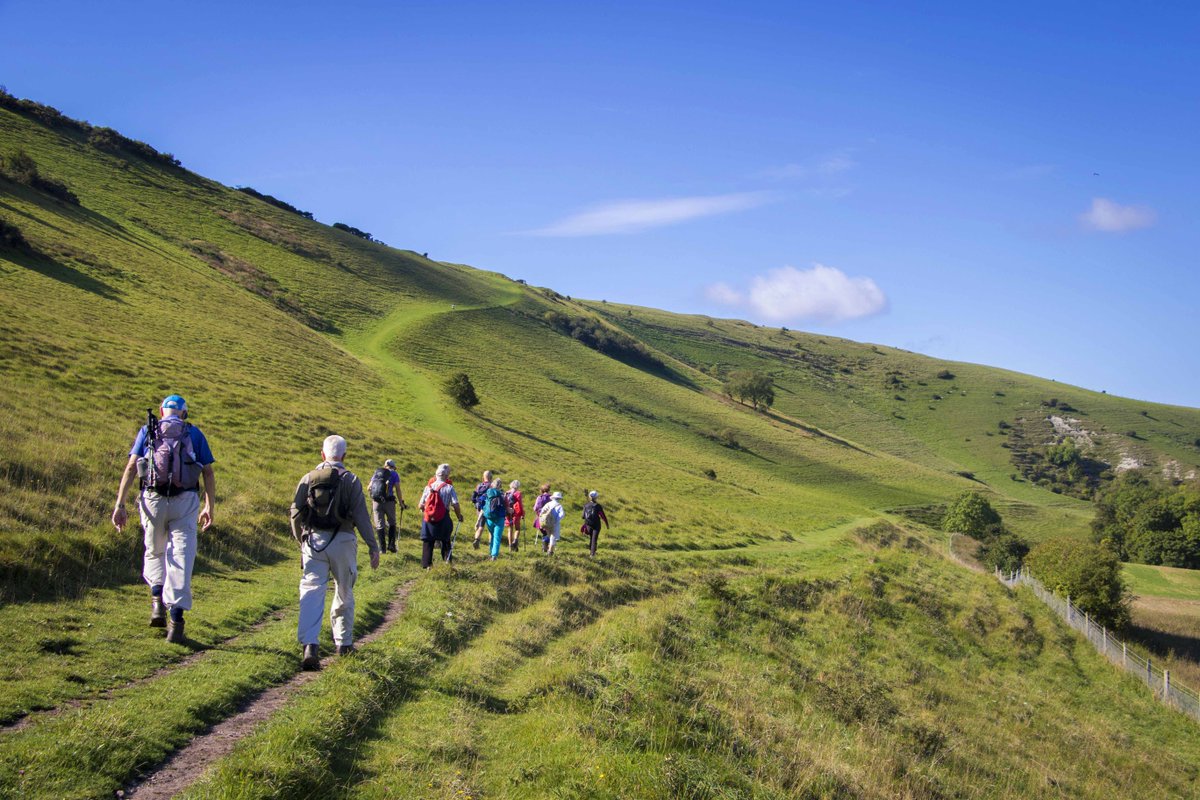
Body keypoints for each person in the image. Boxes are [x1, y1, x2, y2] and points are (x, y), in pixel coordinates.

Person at [112, 394, 216, 644]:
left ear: (161, 411)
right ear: (184, 413)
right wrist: (209, 506)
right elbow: (207, 471)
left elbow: (130, 467)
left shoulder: (148, 431)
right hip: (185, 501)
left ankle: (157, 601)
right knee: (181, 555)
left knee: (154, 551)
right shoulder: (194, 434)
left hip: (153, 500)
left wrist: (120, 504)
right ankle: (176, 622)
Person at [289, 435, 380, 670]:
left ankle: (310, 646)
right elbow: (361, 516)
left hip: (313, 541)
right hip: (343, 540)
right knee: (344, 590)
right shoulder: (351, 479)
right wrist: (373, 546)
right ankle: (344, 643)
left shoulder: (308, 478)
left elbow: (295, 512)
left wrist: (301, 541)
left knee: (311, 590)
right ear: (344, 456)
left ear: (322, 455)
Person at [418, 463, 465, 568]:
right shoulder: (449, 488)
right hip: (444, 517)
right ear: (446, 475)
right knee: (445, 540)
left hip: (429, 518)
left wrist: (426, 510)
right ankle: (447, 563)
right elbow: (455, 504)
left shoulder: (428, 487)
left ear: (436, 475)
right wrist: (459, 516)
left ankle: (427, 565)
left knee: (428, 541)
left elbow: (420, 505)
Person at [369, 458, 405, 554]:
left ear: (385, 466)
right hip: (389, 501)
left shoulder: (377, 473)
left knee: (379, 525)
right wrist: (401, 503)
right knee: (392, 522)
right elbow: (397, 489)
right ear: (393, 467)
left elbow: (369, 487)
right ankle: (391, 546)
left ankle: (382, 549)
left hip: (376, 502)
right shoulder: (394, 473)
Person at [482, 477, 508, 561]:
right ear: (500, 486)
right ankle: (494, 555)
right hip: (499, 518)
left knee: (492, 535)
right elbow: (507, 507)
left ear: (492, 484)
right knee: (497, 537)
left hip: (489, 517)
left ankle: (491, 553)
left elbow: (481, 502)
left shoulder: (487, 493)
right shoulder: (503, 495)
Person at [581, 490, 610, 558]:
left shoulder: (586, 505)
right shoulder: (597, 506)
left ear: (589, 497)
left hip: (588, 524)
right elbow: (602, 516)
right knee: (594, 539)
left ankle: (591, 550)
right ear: (596, 497)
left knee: (591, 538)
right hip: (596, 525)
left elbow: (583, 516)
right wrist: (607, 524)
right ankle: (592, 554)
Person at [470, 469, 493, 549]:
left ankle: (476, 540)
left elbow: (475, 496)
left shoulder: (479, 485)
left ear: (483, 477)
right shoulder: (491, 486)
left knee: (480, 525)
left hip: (479, 508)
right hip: (488, 508)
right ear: (491, 477)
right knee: (491, 527)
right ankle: (491, 543)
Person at [532, 483, 552, 552]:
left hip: (540, 518)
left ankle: (544, 546)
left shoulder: (539, 498)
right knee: (549, 533)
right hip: (549, 518)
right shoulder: (551, 498)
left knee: (544, 532)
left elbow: (535, 508)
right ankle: (546, 546)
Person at [505, 480, 524, 552]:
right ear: (518, 486)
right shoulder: (518, 493)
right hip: (516, 513)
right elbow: (520, 505)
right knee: (517, 529)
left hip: (508, 513)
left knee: (510, 529)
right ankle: (515, 541)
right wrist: (522, 513)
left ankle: (510, 547)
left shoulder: (507, 493)